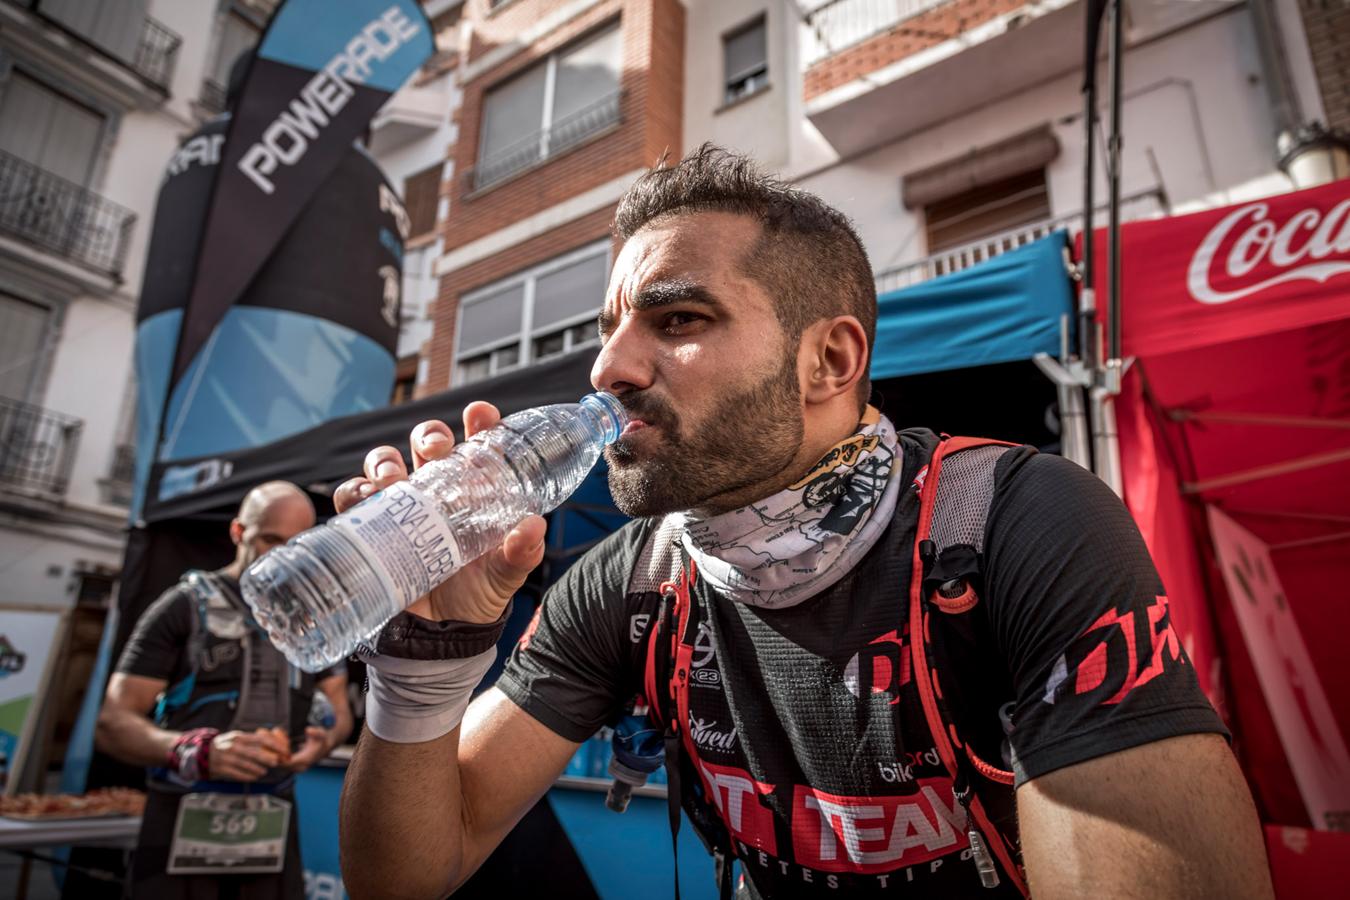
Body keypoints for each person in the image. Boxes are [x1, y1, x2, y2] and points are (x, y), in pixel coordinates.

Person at [337, 146, 1274, 899]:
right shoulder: (633, 580)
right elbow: (408, 872)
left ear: (828, 359)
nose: (608, 369)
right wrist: (429, 655)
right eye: (611, 329)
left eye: (677, 319)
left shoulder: (1013, 522)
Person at [98, 481, 353, 900]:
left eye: (295, 545)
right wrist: (193, 750)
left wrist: (323, 741)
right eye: (270, 539)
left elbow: (340, 710)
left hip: (271, 814)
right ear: (238, 532)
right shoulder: (184, 606)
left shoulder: (313, 617)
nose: (281, 557)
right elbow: (113, 721)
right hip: (184, 811)